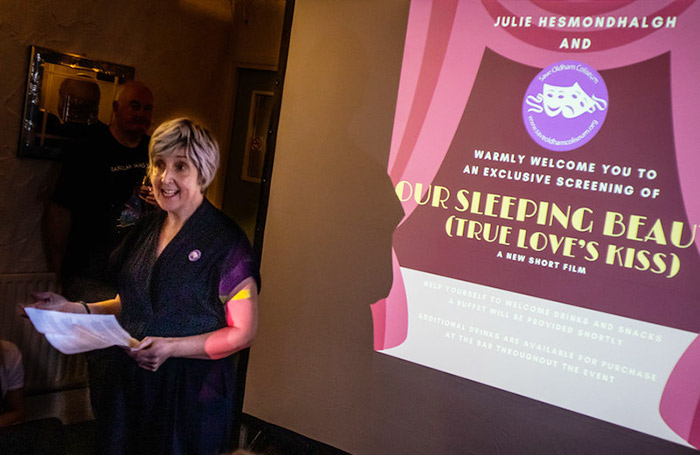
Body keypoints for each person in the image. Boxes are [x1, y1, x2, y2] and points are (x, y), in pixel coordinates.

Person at [30, 118, 260, 455]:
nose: (165, 178)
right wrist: (74, 309)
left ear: (204, 172)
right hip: (132, 385)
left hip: (190, 393)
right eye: (159, 164)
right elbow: (132, 301)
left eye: (180, 166)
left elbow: (243, 331)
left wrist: (171, 347)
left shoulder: (226, 242)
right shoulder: (146, 228)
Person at [45, 79, 155, 302]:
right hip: (90, 275)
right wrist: (59, 271)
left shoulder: (156, 151)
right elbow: (59, 211)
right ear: (116, 108)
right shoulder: (89, 148)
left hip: (138, 277)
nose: (141, 114)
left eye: (147, 108)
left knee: (132, 337)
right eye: (134, 106)